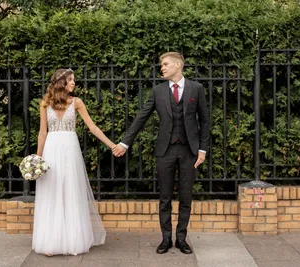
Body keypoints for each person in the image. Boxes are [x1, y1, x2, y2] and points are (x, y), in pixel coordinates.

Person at [113, 52, 209, 254]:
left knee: (186, 196)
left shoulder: (196, 89)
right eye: (161, 65)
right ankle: (166, 239)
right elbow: (142, 117)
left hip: (189, 150)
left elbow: (205, 120)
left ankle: (181, 239)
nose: (162, 68)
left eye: (165, 64)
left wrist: (202, 149)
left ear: (177, 65)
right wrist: (125, 143)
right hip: (165, 150)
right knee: (164, 197)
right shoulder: (158, 91)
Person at [32, 68, 115, 256]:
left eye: (73, 80)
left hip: (70, 150)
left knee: (71, 192)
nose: (73, 83)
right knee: (51, 193)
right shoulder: (45, 103)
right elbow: (42, 132)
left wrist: (111, 145)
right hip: (51, 150)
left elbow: (92, 127)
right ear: (61, 82)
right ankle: (51, 242)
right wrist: (38, 158)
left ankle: (72, 240)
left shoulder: (77, 102)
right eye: (70, 80)